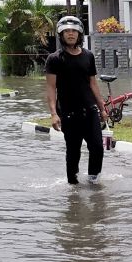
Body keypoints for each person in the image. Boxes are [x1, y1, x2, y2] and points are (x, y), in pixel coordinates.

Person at [46, 15, 109, 185]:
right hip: (68, 113)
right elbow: (51, 88)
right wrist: (53, 113)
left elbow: (93, 84)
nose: (70, 34)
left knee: (97, 147)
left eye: (74, 31)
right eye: (66, 31)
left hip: (90, 110)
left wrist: (102, 108)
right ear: (61, 34)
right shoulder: (54, 59)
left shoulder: (88, 56)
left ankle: (93, 181)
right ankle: (72, 187)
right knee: (73, 152)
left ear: (80, 34)